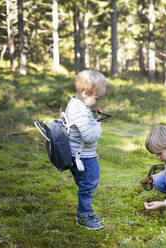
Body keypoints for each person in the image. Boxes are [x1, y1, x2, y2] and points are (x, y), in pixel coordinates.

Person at [65, 70, 108, 230]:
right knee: (88, 186)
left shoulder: (77, 104)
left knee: (87, 186)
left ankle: (87, 212)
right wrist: (99, 126)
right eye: (96, 98)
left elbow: (84, 125)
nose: (97, 102)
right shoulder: (80, 110)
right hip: (83, 158)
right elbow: (89, 136)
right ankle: (83, 216)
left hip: (82, 155)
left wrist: (94, 119)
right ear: (85, 93)